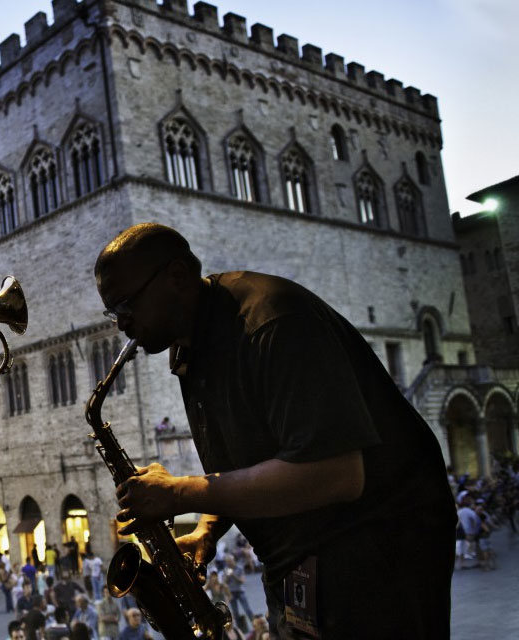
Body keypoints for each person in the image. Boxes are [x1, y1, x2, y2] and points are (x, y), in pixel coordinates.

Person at [94, 223, 456, 638]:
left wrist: (180, 493)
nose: (121, 322)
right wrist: (208, 530)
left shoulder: (272, 322)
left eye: (126, 303)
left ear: (176, 276)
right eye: (112, 311)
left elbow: (335, 473)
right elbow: (246, 460)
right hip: (301, 557)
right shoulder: (189, 345)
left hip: (375, 552)